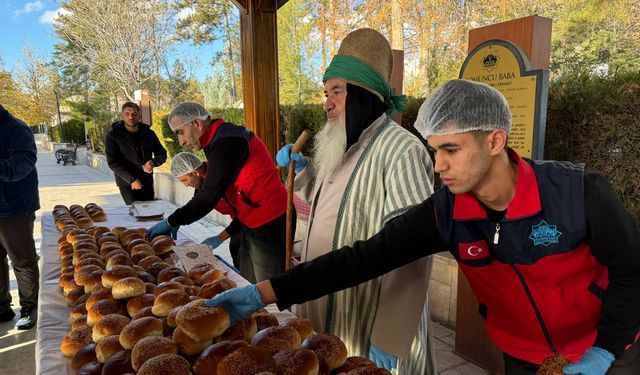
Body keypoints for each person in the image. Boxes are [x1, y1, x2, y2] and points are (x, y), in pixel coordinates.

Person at [205, 79, 640, 375]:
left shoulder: (578, 194)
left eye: (451, 149)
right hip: (522, 354)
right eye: (434, 150)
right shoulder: (447, 211)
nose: (438, 165)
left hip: (608, 349)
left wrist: (607, 347)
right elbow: (362, 258)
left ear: (495, 140)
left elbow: (631, 272)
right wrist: (263, 293)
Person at [274, 28, 436, 374]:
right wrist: (302, 173)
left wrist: (390, 335)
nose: (326, 102)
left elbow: (416, 249)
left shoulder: (402, 150)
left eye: (337, 91)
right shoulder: (345, 142)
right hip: (325, 304)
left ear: (364, 94)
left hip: (368, 317)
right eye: (325, 92)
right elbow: (332, 203)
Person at [146, 103, 289, 283]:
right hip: (249, 219)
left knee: (267, 286)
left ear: (197, 123)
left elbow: (209, 195)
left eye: (180, 132)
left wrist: (172, 220)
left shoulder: (227, 141)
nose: (181, 141)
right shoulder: (216, 140)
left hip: (269, 218)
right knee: (247, 280)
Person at [170, 151, 248, 275]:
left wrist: (220, 237)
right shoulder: (201, 181)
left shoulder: (219, 178)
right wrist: (176, 220)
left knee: (247, 260)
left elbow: (247, 213)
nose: (185, 185)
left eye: (185, 180)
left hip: (255, 218)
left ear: (196, 172)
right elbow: (198, 205)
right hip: (239, 220)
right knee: (236, 250)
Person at [0, 104, 40, 330]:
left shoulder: (16, 128)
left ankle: (29, 307)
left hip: (14, 208)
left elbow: (23, 163)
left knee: (22, 260)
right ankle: (2, 307)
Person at [105, 102, 167, 205]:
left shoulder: (149, 133)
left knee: (149, 212)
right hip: (127, 183)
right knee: (135, 212)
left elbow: (162, 154)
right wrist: (132, 180)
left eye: (134, 114)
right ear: (122, 116)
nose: (131, 117)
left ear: (139, 115)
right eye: (127, 114)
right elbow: (113, 163)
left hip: (147, 181)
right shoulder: (113, 135)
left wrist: (153, 162)